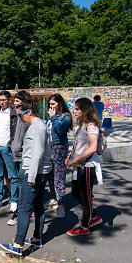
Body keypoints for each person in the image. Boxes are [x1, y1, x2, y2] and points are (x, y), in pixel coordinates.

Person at [0, 98, 52, 256]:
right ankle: (37, 238)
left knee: (23, 208)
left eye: (20, 115)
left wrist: (31, 177)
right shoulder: (38, 126)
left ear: (29, 112)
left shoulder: (37, 127)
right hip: (41, 172)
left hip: (34, 172)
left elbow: (37, 153)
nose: (19, 119)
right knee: (38, 206)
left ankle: (17, 245)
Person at [66, 98, 103, 236]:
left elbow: (92, 148)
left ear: (85, 110)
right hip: (79, 165)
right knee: (76, 193)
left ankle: (85, 226)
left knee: (85, 196)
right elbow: (79, 144)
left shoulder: (91, 126)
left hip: (87, 166)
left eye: (77, 109)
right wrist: (71, 156)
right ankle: (94, 216)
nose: (74, 111)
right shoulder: (82, 124)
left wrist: (75, 159)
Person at [0, 91, 19, 213]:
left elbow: (15, 130)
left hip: (7, 148)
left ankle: (14, 200)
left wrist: (10, 144)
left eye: (4, 100)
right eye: (0, 100)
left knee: (13, 176)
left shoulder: (13, 113)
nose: (1, 102)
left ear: (9, 100)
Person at [6, 90, 33, 225]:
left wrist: (24, 145)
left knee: (23, 184)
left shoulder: (27, 118)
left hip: (23, 156)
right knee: (16, 181)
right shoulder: (16, 117)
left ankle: (20, 212)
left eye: (17, 101)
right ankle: (22, 207)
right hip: (15, 154)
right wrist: (12, 144)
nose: (14, 104)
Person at [45, 93, 73, 218]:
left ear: (59, 104)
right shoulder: (51, 118)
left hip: (59, 147)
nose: (51, 107)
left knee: (59, 176)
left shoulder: (65, 117)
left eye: (53, 104)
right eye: (49, 104)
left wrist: (52, 118)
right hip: (49, 148)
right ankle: (53, 198)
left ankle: (61, 205)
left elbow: (61, 130)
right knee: (50, 175)